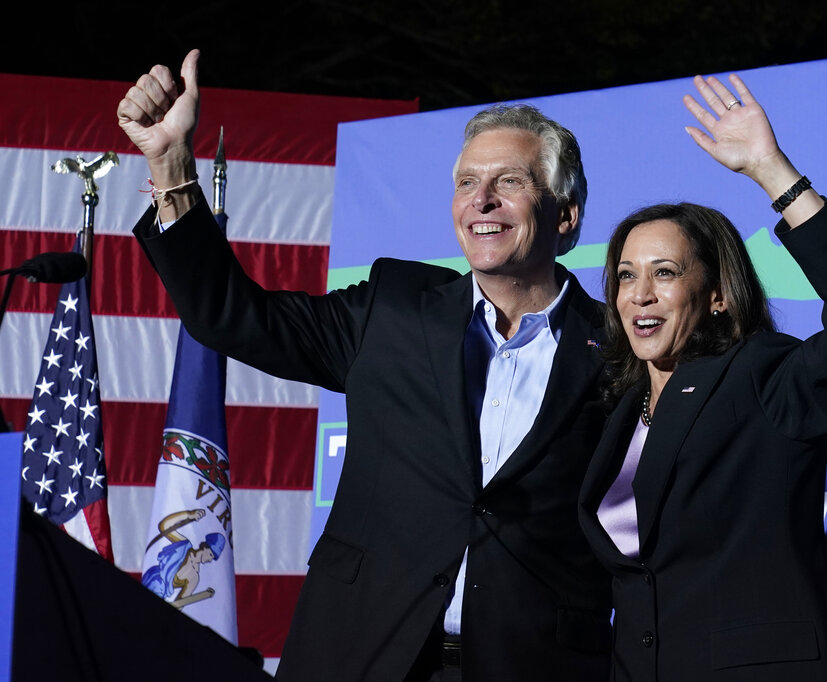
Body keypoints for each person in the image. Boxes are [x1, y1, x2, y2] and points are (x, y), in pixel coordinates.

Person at [117, 50, 612, 681]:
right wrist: (171, 165)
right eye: (466, 182)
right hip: (361, 657)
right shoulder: (393, 308)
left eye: (509, 181)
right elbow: (231, 316)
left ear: (565, 214)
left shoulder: (620, 349)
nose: (481, 200)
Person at [578, 74, 827, 681]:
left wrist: (771, 171)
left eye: (665, 272)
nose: (640, 294)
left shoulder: (762, 378)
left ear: (719, 296)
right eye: (625, 275)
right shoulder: (618, 413)